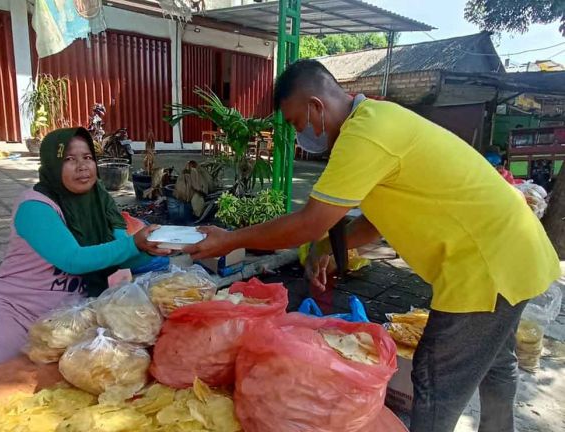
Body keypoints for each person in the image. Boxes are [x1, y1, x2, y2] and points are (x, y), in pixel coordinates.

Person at [184, 60, 560, 432]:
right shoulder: (380, 118)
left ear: (316, 106)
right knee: (495, 363)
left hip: (485, 266)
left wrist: (229, 239)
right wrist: (328, 249)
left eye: (298, 123)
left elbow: (308, 223)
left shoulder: (363, 134)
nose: (301, 135)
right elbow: (376, 221)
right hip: (515, 249)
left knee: (435, 380)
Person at [0, 127, 168, 375]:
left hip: (68, 322)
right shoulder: (35, 207)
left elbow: (120, 254)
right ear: (52, 164)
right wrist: (134, 243)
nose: (82, 166)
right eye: (69, 159)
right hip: (13, 314)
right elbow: (73, 260)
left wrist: (158, 247)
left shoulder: (100, 201)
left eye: (88, 157)